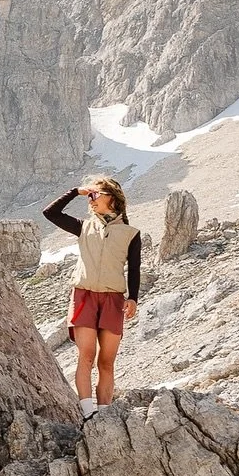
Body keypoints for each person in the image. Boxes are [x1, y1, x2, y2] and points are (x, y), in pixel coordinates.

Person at [42, 177, 140, 418]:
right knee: (86, 356)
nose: (91, 200)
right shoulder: (83, 227)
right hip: (84, 296)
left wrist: (133, 298)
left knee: (106, 362)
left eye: (95, 195)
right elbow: (50, 213)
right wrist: (76, 191)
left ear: (112, 198)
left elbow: (134, 269)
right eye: (89, 196)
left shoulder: (130, 234)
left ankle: (105, 415)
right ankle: (88, 414)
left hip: (113, 299)